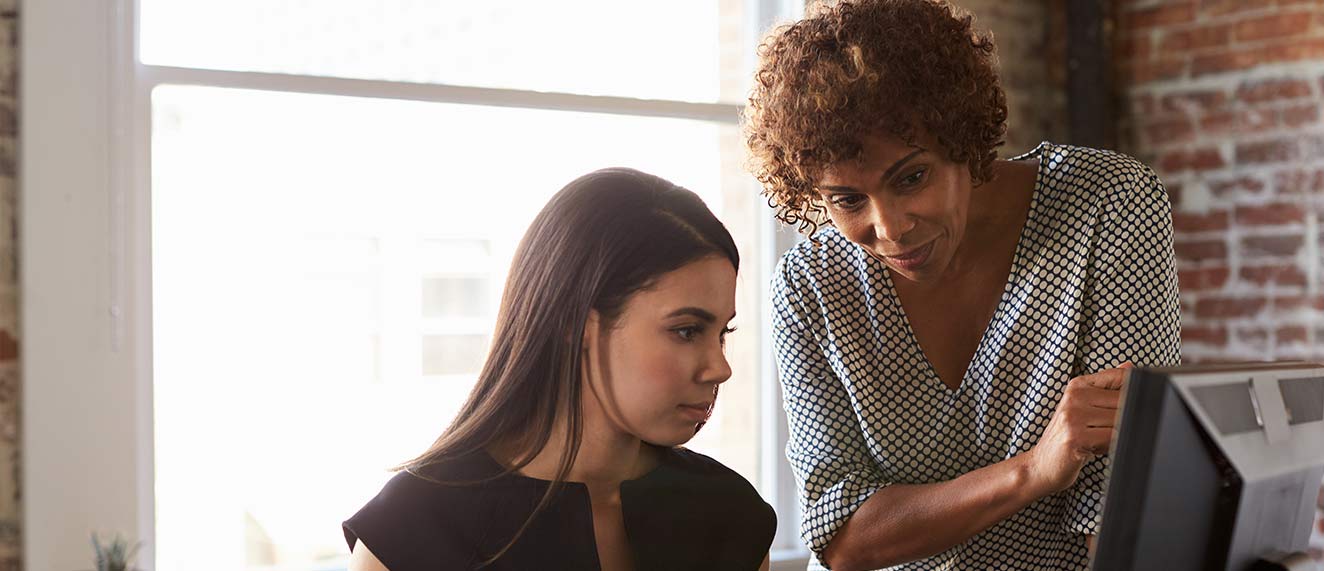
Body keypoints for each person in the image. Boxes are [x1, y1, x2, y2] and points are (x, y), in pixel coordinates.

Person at [742, 1, 1181, 570]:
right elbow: (844, 537)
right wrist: (1032, 471)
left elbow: (1119, 503)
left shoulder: (1108, 205)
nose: (890, 228)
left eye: (912, 177)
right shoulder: (810, 286)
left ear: (962, 135)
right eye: (848, 200)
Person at [342, 168, 776, 571]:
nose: (720, 368)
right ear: (575, 323)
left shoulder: (733, 517)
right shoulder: (413, 528)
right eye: (686, 331)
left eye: (722, 333)